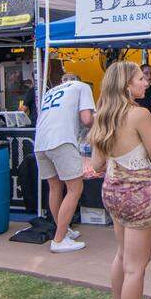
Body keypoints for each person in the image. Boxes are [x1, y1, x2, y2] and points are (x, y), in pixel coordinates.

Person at [87, 61, 151, 299]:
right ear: (126, 85)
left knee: (122, 256)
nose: (146, 82)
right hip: (137, 194)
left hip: (112, 191)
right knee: (136, 267)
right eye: (140, 78)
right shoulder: (139, 114)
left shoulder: (103, 116)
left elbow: (96, 164)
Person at [35, 73, 95, 252]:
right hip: (62, 140)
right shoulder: (82, 87)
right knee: (75, 189)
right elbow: (86, 119)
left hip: (40, 142)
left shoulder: (51, 91)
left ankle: (63, 229)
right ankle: (59, 239)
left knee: (55, 188)